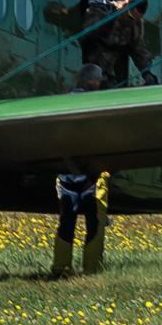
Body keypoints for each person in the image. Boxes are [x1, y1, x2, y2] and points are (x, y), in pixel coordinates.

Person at [52, 63, 111, 278]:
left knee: (66, 222)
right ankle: (91, 269)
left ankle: (60, 268)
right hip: (91, 177)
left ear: (76, 79)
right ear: (96, 81)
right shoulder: (100, 103)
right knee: (94, 223)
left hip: (65, 174)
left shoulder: (61, 102)